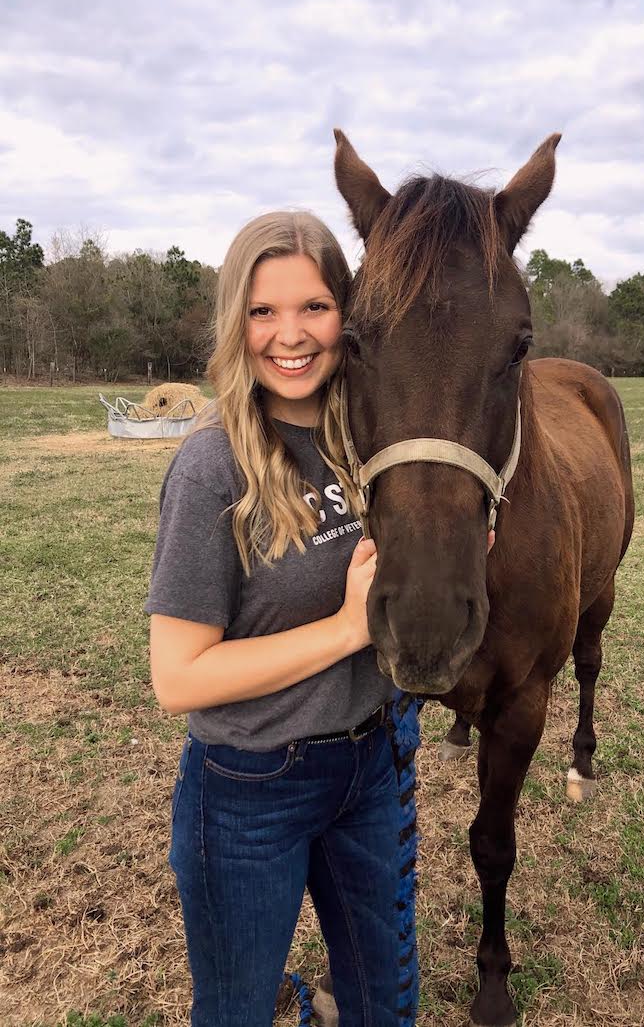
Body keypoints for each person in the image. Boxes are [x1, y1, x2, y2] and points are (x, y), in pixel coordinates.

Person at [144, 211, 401, 1027]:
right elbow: (177, 677)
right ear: (237, 322)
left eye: (314, 307)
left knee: (383, 1006)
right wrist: (346, 629)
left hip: (374, 765)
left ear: (346, 316)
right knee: (238, 1011)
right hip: (251, 787)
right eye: (263, 311)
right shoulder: (212, 464)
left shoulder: (372, 440)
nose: (290, 335)